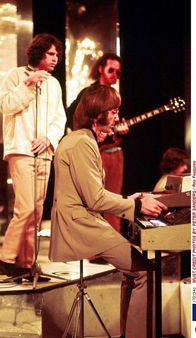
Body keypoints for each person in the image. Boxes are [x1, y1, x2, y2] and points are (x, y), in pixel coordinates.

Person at [49, 85, 168, 338]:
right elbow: (95, 198)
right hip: (80, 225)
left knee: (134, 273)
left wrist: (128, 199)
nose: (117, 117)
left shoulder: (84, 139)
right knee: (144, 273)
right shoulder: (81, 143)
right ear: (96, 115)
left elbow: (92, 192)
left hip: (85, 221)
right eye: (113, 112)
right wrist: (136, 206)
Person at [0, 33, 66, 279]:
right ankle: (7, 258)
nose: (55, 58)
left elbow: (60, 118)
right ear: (38, 53)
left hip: (44, 152)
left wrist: (49, 138)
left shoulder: (54, 84)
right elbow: (5, 105)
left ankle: (27, 263)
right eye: (50, 54)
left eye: (57, 54)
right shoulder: (16, 76)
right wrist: (28, 84)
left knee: (36, 211)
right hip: (21, 150)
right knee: (25, 207)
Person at [66, 53, 128, 232]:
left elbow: (117, 127)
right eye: (111, 70)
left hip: (114, 152)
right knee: (92, 200)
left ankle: (112, 243)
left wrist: (120, 131)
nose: (114, 75)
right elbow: (72, 116)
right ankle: (94, 247)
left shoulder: (116, 95)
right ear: (101, 68)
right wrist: (89, 134)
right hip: (95, 151)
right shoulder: (89, 93)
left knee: (114, 200)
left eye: (118, 72)